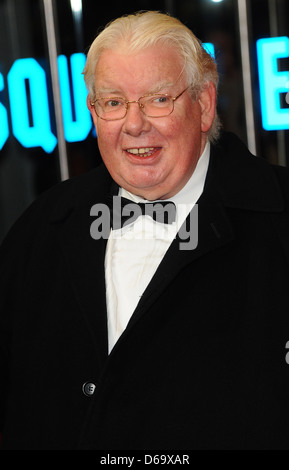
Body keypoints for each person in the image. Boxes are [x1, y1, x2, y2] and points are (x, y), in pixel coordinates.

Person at [1, 10, 289, 451]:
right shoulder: (41, 229)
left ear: (205, 105)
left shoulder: (280, 219)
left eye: (158, 99)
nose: (134, 125)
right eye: (114, 103)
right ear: (94, 113)